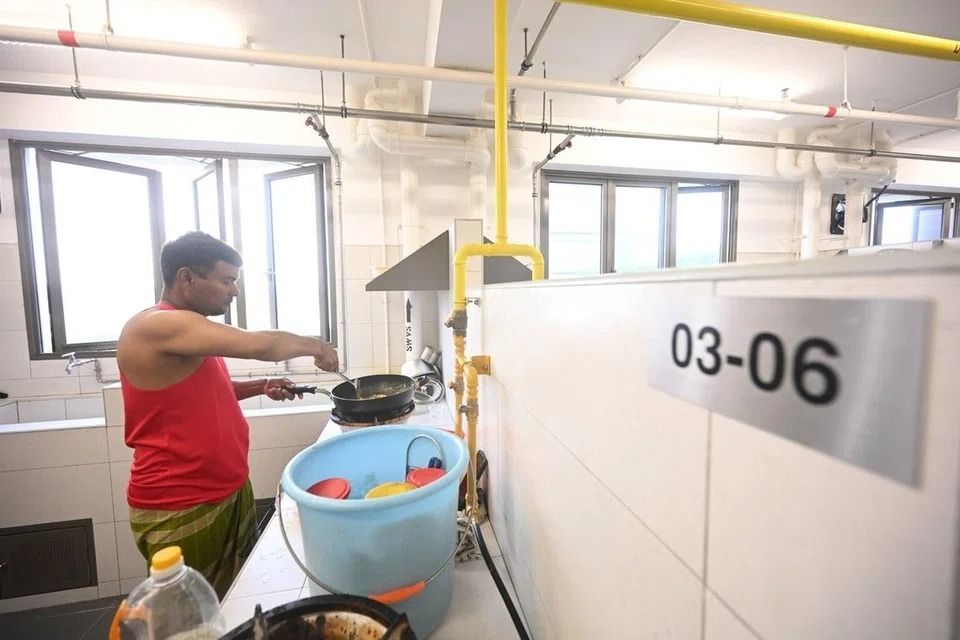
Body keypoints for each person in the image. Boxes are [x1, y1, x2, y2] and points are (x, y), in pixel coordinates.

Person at [116, 231, 339, 598]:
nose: (234, 291)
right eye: (226, 280)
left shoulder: (189, 330)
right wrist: (316, 346)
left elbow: (204, 393)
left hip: (225, 488)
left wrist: (261, 386)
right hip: (182, 500)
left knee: (233, 599)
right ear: (186, 277)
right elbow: (261, 344)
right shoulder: (156, 325)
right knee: (196, 617)